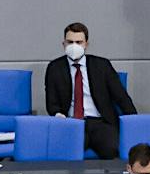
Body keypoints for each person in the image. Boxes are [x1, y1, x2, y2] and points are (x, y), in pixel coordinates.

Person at [43, 21, 136, 160]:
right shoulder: (54, 68)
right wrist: (58, 114)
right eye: (70, 42)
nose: (74, 46)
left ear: (86, 44)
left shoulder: (102, 65)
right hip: (72, 123)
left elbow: (121, 97)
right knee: (68, 153)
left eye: (79, 42)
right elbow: (51, 103)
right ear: (63, 44)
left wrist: (135, 123)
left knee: (112, 150)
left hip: (101, 122)